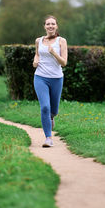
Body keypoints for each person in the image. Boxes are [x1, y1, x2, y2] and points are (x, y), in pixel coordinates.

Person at [33, 15, 68, 147]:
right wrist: (35, 61)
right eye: (48, 24)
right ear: (44, 26)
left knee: (54, 110)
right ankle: (48, 138)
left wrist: (53, 52)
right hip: (40, 77)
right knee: (45, 107)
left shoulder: (61, 41)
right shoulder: (39, 40)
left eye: (53, 24)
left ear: (56, 26)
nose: (50, 26)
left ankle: (52, 117)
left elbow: (64, 62)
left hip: (56, 79)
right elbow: (37, 53)